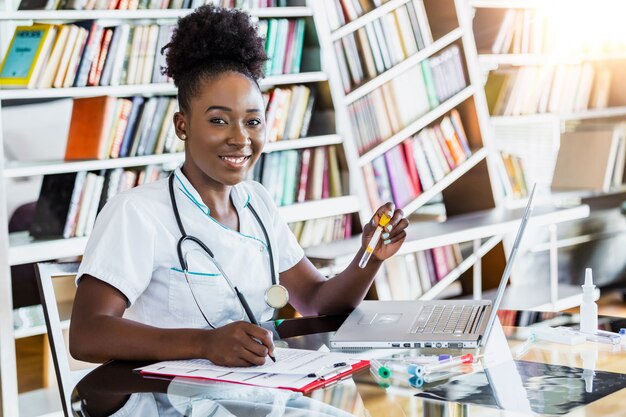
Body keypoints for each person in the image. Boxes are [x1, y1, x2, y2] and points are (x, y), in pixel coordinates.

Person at [70, 5, 409, 367]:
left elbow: (316, 300)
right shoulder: (137, 212)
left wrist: (369, 257)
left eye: (253, 121)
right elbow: (88, 334)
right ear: (182, 126)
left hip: (252, 391)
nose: (240, 138)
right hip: (164, 400)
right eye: (219, 120)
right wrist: (204, 343)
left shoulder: (257, 203)